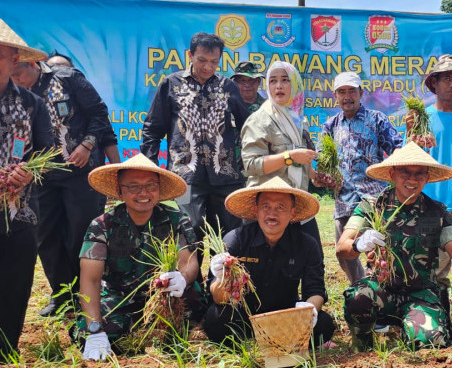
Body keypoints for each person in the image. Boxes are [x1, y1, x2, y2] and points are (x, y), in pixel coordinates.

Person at [11, 56, 120, 316]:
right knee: (45, 237)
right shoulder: (15, 94)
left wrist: (87, 144)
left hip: (80, 171)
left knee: (80, 235)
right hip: (40, 176)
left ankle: (88, 295)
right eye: (11, 78)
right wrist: (16, 163)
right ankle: (61, 296)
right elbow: (17, 133)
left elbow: (99, 114)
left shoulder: (68, 78)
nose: (16, 82)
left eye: (19, 75)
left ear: (32, 65)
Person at [77, 154, 206, 361]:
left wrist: (181, 277)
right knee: (92, 332)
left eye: (150, 185)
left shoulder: (177, 220)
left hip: (164, 295)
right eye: (133, 187)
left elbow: (189, 263)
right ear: (120, 190)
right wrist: (95, 330)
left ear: (159, 188)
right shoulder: (101, 226)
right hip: (120, 298)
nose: (143, 193)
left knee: (190, 313)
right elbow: (90, 279)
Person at [338, 142, 452, 350]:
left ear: (427, 178)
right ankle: (363, 344)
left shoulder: (437, 212)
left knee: (430, 342)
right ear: (392, 173)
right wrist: (359, 243)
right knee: (358, 298)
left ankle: (412, 327)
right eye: (405, 172)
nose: (412, 180)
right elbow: (342, 247)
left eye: (419, 174)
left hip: (420, 294)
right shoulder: (371, 206)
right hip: (381, 289)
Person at [140, 32, 250, 250]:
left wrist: (244, 162)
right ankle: (192, 283)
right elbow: (152, 130)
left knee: (229, 236)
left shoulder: (228, 87)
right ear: (190, 55)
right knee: (191, 230)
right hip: (185, 175)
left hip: (226, 176)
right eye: (202, 60)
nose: (208, 67)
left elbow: (248, 127)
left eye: (214, 62)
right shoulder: (171, 85)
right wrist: (148, 169)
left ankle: (223, 282)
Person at [203, 177, 335, 348]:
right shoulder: (236, 240)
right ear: (256, 210)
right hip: (244, 317)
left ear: (292, 212)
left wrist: (309, 311)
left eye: (281, 207)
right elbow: (217, 296)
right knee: (216, 319)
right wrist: (222, 278)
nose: (272, 214)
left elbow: (316, 289)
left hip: (285, 318)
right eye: (266, 207)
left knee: (324, 324)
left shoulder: (307, 244)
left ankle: (283, 339)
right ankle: (258, 342)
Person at [406, 54, 452, 320]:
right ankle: (438, 322)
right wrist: (409, 135)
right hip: (432, 205)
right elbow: (410, 163)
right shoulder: (421, 119)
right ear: (434, 83)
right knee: (434, 270)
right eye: (446, 78)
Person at [314, 71, 402, 284]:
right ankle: (360, 290)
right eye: (342, 92)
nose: (347, 96)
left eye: (352, 91)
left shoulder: (377, 120)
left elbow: (398, 150)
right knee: (344, 253)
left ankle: (381, 291)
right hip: (344, 200)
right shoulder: (331, 126)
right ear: (335, 96)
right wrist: (324, 178)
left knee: (378, 251)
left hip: (373, 200)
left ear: (361, 92)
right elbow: (322, 165)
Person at [0, 19, 53, 359]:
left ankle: (6, 350)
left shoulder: (32, 105)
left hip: (20, 209)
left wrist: (27, 173)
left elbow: (45, 153)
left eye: (0, 56)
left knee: (15, 280)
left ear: (15, 59)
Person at [240, 61, 321, 245]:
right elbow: (252, 165)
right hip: (268, 207)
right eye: (273, 81)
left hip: (296, 203)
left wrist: (315, 176)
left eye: (285, 80)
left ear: (295, 83)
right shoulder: (259, 120)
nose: (278, 86)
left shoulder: (299, 119)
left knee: (313, 260)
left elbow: (302, 161)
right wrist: (289, 157)